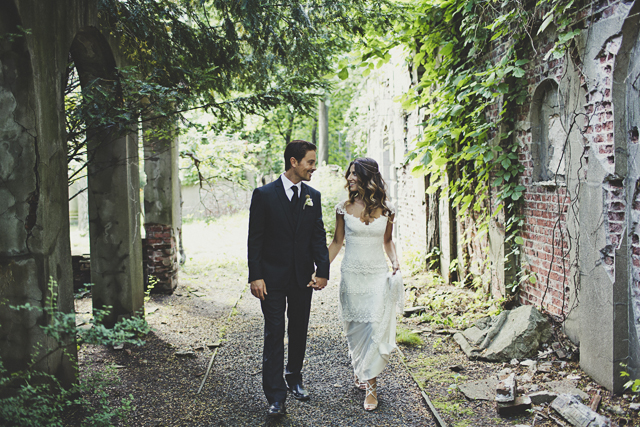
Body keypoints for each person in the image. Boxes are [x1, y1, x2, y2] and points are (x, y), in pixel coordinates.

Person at [247, 140, 330, 418]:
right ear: (293, 162)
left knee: (298, 328)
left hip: (301, 278)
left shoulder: (313, 196)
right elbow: (255, 239)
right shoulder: (264, 194)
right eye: (310, 162)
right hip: (270, 279)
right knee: (274, 333)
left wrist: (323, 271)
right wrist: (255, 276)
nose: (313, 167)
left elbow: (318, 235)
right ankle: (275, 396)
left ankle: (294, 377)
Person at [327, 157, 402, 411]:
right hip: (351, 275)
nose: (349, 178)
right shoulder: (342, 208)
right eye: (348, 174)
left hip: (376, 276)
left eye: (354, 174)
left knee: (373, 326)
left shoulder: (388, 209)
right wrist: (320, 270)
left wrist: (395, 261)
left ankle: (371, 388)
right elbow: (337, 242)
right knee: (355, 328)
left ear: (367, 177)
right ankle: (360, 366)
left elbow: (388, 241)